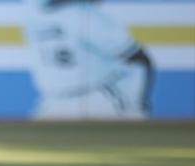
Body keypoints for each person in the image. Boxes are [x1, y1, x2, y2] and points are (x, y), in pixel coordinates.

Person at [21, 0, 153, 120]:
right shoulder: (33, 11)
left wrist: (136, 103)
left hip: (98, 97)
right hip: (52, 100)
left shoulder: (87, 16)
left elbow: (139, 59)